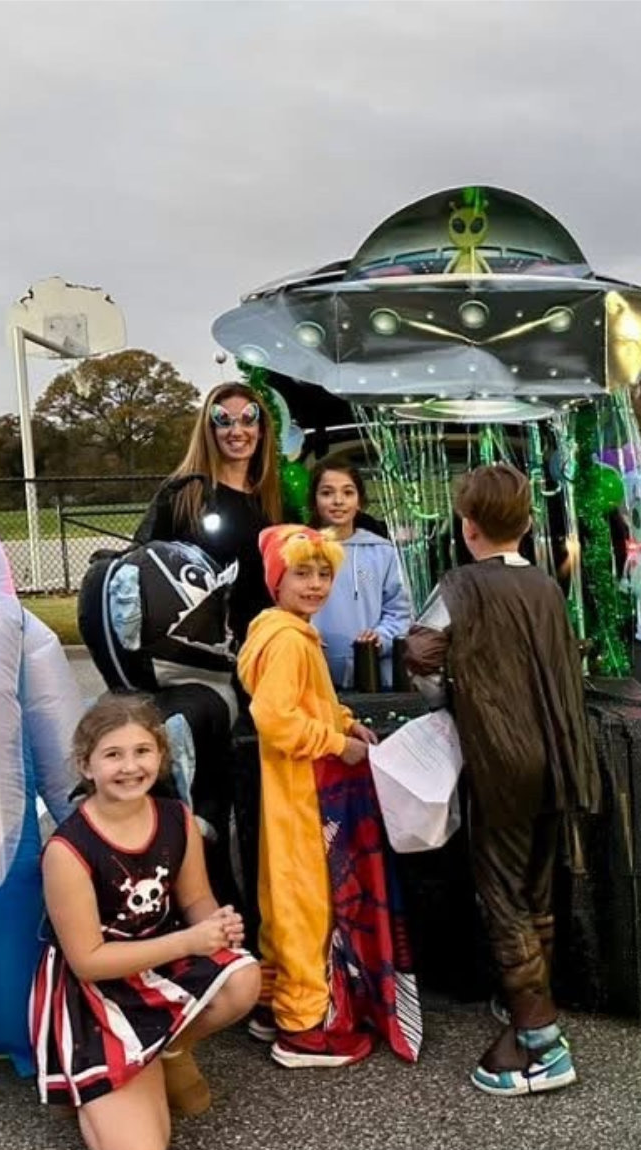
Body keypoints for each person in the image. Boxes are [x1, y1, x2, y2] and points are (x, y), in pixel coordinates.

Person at [403, 464, 600, 1097]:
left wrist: (449, 699)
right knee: (537, 888)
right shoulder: (546, 585)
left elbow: (422, 652)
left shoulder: (459, 585)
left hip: (502, 759)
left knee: (503, 895)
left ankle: (540, 1039)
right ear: (526, 524)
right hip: (560, 754)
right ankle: (527, 995)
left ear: (467, 526)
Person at [32, 695, 260, 1150]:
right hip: (93, 993)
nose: (130, 766)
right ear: (85, 764)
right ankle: (96, 1084)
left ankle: (163, 1051)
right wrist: (192, 941)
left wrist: (216, 924)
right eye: (113, 754)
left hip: (155, 957)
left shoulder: (176, 818)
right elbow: (89, 961)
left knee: (243, 977)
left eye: (142, 751)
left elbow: (196, 898)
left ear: (160, 757)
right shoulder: (67, 850)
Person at [237, 525, 422, 1069]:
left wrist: (345, 721)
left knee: (284, 901)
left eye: (323, 574)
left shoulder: (288, 631)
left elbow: (309, 701)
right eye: (303, 573)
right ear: (278, 579)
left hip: (293, 794)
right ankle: (303, 1028)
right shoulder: (291, 640)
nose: (316, 585)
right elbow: (274, 719)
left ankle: (273, 1001)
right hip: (303, 796)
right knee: (307, 906)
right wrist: (335, 743)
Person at [135, 381, 283, 649]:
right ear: (210, 431)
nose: (237, 431)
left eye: (248, 420)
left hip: (264, 648)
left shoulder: (274, 499)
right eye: (224, 421)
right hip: (198, 652)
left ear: (261, 430)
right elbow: (142, 564)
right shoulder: (182, 494)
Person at [308, 458, 413, 689]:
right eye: (327, 493)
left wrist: (381, 638)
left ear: (360, 502)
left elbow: (400, 611)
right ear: (314, 501)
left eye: (348, 492)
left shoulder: (382, 552)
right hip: (314, 676)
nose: (338, 501)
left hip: (375, 678)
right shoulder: (299, 550)